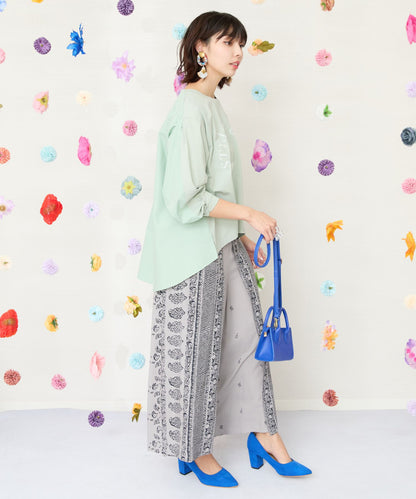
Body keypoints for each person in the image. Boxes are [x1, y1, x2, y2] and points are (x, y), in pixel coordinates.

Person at [137, 10, 312, 488]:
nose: (237, 52)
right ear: (201, 47)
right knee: (192, 350)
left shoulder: (212, 106)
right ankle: (192, 450)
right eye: (226, 42)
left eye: (240, 43)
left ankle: (264, 434)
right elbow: (184, 198)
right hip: (187, 253)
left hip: (220, 243)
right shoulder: (190, 108)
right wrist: (249, 214)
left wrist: (241, 232)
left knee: (249, 339)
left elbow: (216, 189)